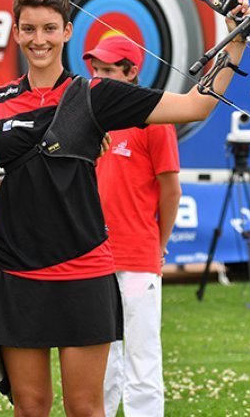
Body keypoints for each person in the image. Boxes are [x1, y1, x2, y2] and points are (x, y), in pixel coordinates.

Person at [0, 0, 250, 417]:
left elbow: (193, 105)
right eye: (28, 29)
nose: (39, 39)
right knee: (30, 407)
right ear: (15, 33)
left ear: (67, 31)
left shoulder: (96, 96)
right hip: (18, 273)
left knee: (86, 408)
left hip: (84, 270)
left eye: (49, 28)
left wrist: (234, 42)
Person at [84, 36, 181, 417]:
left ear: (132, 72)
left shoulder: (153, 121)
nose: (100, 78)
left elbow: (170, 190)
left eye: (109, 71)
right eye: (96, 70)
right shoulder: (89, 117)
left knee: (142, 362)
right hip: (93, 259)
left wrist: (159, 244)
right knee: (100, 365)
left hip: (138, 259)